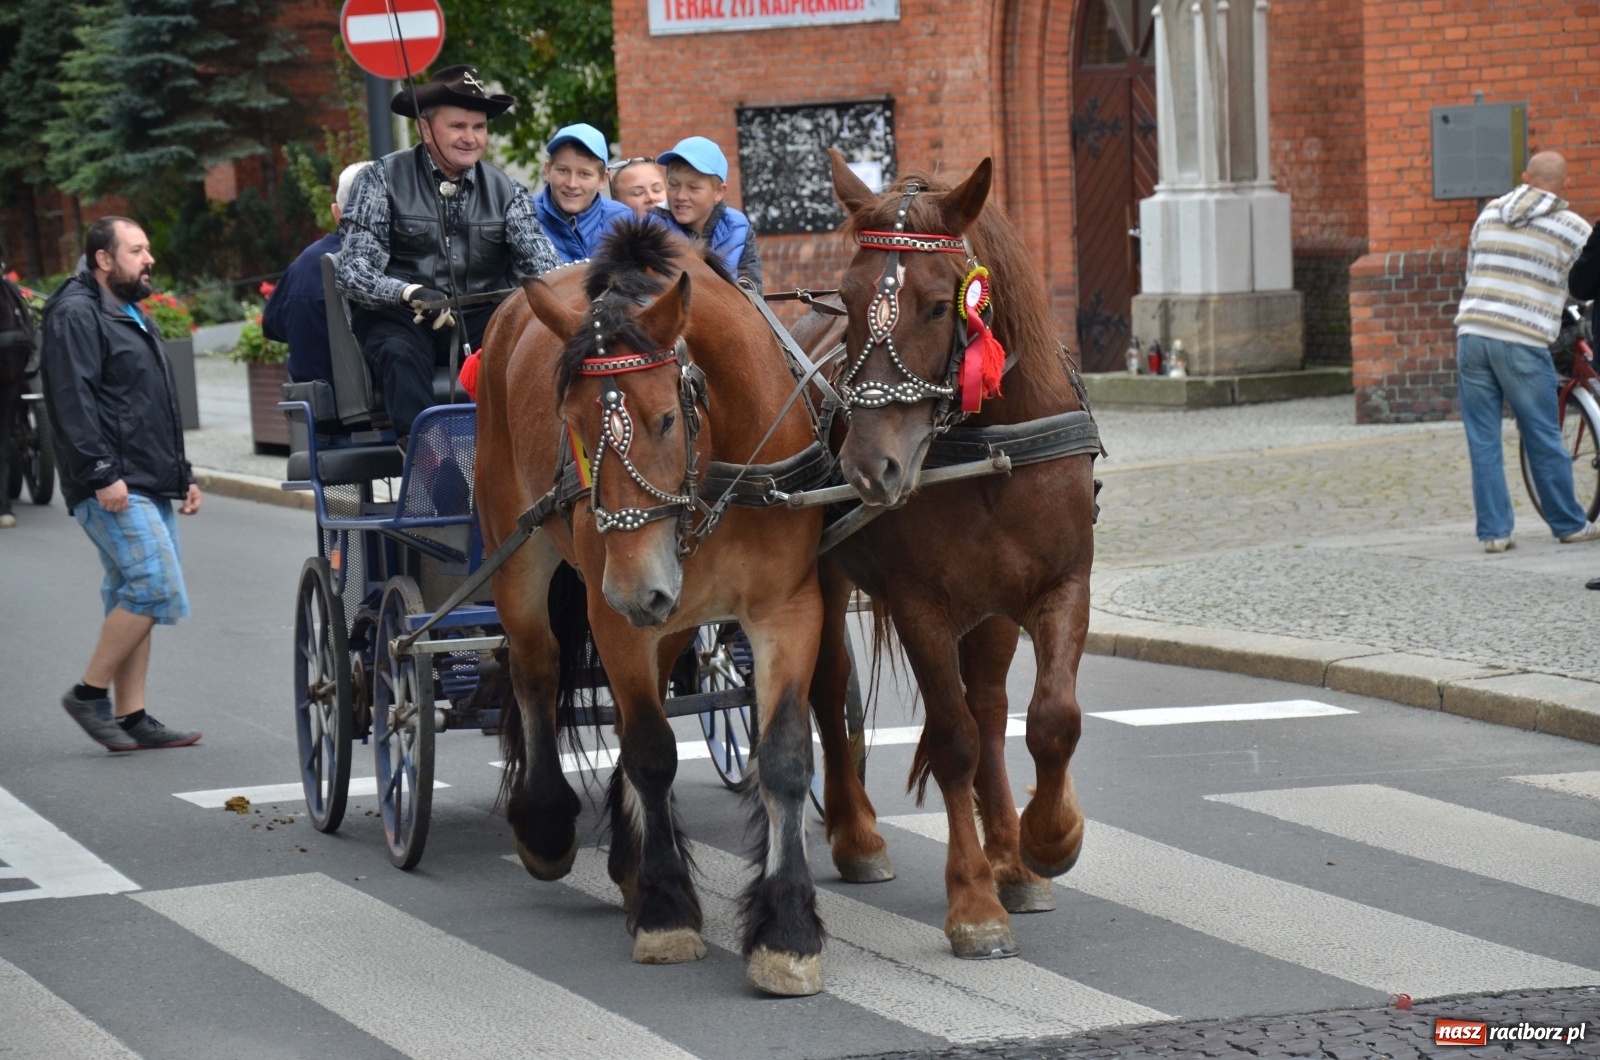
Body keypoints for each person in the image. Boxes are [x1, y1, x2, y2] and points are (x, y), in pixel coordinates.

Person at [39, 216, 204, 752]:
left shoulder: (129, 310)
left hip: (146, 479)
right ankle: (89, 695)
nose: (148, 258)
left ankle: (132, 716)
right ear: (103, 259)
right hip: (111, 481)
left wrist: (184, 475)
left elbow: (150, 401)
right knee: (152, 587)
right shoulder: (75, 313)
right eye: (136, 250)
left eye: (148, 248)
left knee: (133, 596)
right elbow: (71, 401)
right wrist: (101, 474)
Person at [336, 65, 558, 446]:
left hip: (481, 319)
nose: (471, 138)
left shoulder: (508, 191)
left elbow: (544, 269)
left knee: (540, 339)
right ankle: (433, 469)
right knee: (396, 350)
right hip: (405, 318)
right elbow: (354, 270)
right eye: (458, 126)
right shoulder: (379, 179)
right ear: (425, 129)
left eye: (479, 127)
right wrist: (407, 293)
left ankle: (533, 452)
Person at [1455, 151, 1600, 553]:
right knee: (1541, 432)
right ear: (1566, 184)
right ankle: (1569, 523)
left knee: (1482, 437)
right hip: (1521, 338)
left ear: (1524, 177)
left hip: (1472, 333)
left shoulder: (1489, 214)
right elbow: (1584, 275)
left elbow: (1473, 270)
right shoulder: (1571, 226)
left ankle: (1495, 533)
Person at [263, 162, 370, 384]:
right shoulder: (393, 262)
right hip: (382, 409)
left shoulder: (303, 264)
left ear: (336, 212)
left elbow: (273, 325)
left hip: (315, 407)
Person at [650, 136, 762, 289]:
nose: (680, 196)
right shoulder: (651, 228)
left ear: (719, 192)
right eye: (673, 185)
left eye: (693, 188)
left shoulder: (739, 228)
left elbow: (753, 292)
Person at [534, 123, 632, 263]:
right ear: (548, 170)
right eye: (563, 170)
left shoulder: (623, 220)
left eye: (584, 174)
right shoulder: (525, 217)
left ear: (602, 180)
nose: (572, 184)